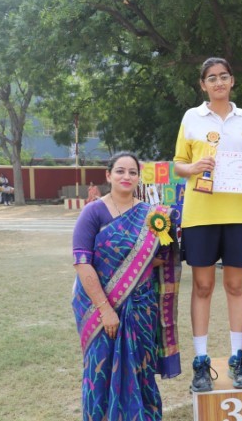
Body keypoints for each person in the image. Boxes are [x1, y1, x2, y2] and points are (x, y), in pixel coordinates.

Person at [174, 57, 242, 392]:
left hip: (239, 213)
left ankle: (237, 358)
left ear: (232, 81)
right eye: (212, 78)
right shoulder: (191, 117)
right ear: (203, 85)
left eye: (224, 76)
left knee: (235, 286)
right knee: (202, 287)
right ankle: (201, 362)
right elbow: (178, 164)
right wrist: (193, 167)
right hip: (200, 212)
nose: (218, 82)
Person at [72, 152, 181, 421]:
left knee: (140, 371)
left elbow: (161, 257)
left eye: (132, 172)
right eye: (120, 171)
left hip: (141, 308)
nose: (126, 176)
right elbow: (82, 263)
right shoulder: (93, 212)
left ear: (138, 178)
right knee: (100, 372)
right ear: (108, 175)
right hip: (100, 310)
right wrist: (105, 309)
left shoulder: (151, 216)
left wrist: (145, 261)